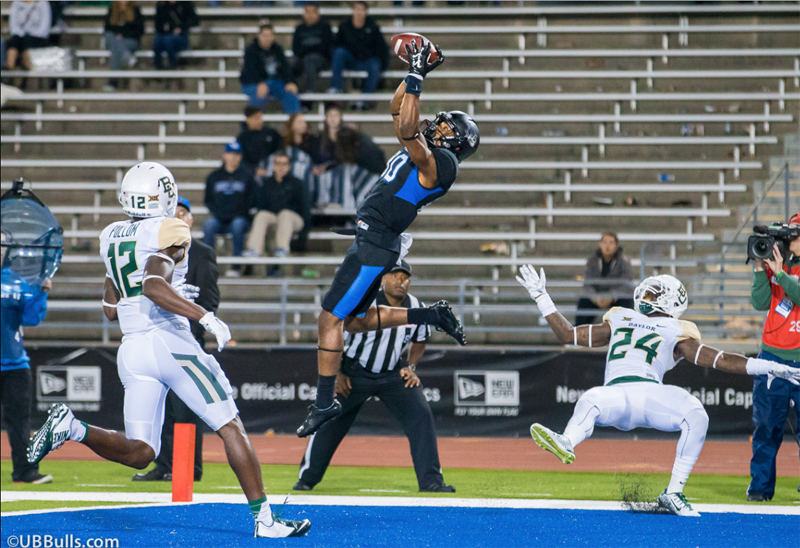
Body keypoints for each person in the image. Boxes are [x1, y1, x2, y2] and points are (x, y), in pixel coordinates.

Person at [27, 162, 310, 538]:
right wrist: (203, 315)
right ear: (163, 194)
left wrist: (167, 289)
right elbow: (153, 285)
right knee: (230, 425)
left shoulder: (111, 234)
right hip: (168, 341)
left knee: (141, 452)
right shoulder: (170, 227)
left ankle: (73, 427)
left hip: (132, 349)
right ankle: (265, 521)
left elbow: (110, 309)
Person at [297, 39, 479, 438]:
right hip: (375, 240)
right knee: (357, 322)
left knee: (329, 319)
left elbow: (407, 126)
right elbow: (398, 110)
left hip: (376, 242)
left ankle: (324, 400)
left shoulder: (442, 164)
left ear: (457, 143)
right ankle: (430, 316)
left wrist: (416, 74)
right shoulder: (428, 145)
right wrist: (417, 71)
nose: (439, 124)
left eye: (447, 126)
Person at [515, 266, 800, 517]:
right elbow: (569, 335)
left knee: (696, 413)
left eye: (657, 292)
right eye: (649, 291)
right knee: (591, 397)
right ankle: (567, 440)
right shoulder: (620, 317)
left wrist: (767, 365)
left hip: (651, 394)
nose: (648, 295)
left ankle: (673, 493)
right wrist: (542, 296)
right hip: (617, 394)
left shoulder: (677, 329)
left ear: (673, 299)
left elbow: (719, 358)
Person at [295, 261, 455, 493]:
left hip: (392, 374)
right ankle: (306, 479)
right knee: (330, 420)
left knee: (421, 414)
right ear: (383, 279)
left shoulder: (415, 306)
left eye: (405, 278)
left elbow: (420, 340)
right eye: (396, 276)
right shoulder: (365, 302)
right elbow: (333, 336)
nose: (401, 281)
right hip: (353, 374)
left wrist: (411, 366)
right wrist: (338, 372)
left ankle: (432, 482)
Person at [132, 196, 219, 482]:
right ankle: (164, 464)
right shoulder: (155, 253)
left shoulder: (202, 252)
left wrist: (194, 320)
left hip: (185, 339)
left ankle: (188, 468)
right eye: (175, 214)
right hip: (158, 339)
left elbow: (209, 298)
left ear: (191, 220)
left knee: (186, 409)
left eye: (184, 213)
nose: (180, 218)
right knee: (164, 409)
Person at [747, 213, 800, 502]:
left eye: (795, 235)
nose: (789, 241)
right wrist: (760, 267)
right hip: (772, 359)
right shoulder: (777, 264)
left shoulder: (782, 270)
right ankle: (759, 489)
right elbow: (760, 303)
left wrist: (780, 274)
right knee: (766, 429)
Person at [1, 240, 53, 484]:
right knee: (19, 421)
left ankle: (25, 471)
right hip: (14, 363)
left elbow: (31, 319)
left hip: (14, 364)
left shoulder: (16, 282)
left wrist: (42, 292)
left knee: (20, 422)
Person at [244, 153, 310, 276]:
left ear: (289, 166)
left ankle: (282, 249)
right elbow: (261, 207)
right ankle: (254, 249)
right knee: (262, 215)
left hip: (294, 219)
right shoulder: (267, 184)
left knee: (285, 214)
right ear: (273, 166)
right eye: (278, 164)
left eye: (284, 164)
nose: (281, 167)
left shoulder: (297, 184)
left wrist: (304, 234)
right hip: (275, 219)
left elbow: (305, 209)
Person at [202, 142, 256, 279]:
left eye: (236, 154)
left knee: (238, 225)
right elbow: (208, 200)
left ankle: (236, 266)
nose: (233, 157)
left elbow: (252, 199)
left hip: (239, 217)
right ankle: (209, 266)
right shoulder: (214, 176)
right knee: (209, 224)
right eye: (231, 154)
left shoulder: (247, 176)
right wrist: (219, 212)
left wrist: (239, 212)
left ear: (240, 157)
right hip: (219, 218)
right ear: (225, 155)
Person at [329, 1, 389, 111]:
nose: (358, 12)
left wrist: (383, 66)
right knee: (339, 52)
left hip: (366, 61)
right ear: (352, 11)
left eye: (361, 10)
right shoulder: (344, 26)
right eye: (356, 9)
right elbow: (336, 45)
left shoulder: (373, 28)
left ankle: (365, 98)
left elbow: (382, 49)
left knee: (375, 64)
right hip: (350, 60)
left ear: (366, 12)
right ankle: (335, 87)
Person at [575, 231, 634, 326]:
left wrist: (612, 296)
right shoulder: (592, 261)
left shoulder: (624, 262)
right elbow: (587, 283)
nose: (607, 246)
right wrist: (595, 297)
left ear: (616, 245)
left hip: (616, 298)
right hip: (597, 296)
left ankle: (626, 333)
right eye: (605, 242)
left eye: (611, 243)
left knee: (627, 302)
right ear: (600, 244)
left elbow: (626, 283)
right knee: (583, 302)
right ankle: (579, 336)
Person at [240, 23, 301, 114]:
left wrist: (290, 82)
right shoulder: (250, 50)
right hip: (253, 83)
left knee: (290, 93)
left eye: (270, 35)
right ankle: (251, 124)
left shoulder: (278, 49)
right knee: (259, 93)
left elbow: (285, 68)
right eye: (264, 35)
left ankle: (295, 121)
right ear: (259, 36)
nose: (267, 38)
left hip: (274, 82)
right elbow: (250, 70)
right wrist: (260, 83)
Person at [292, 2, 333, 98]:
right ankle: (292, 93)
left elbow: (325, 48)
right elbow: (296, 49)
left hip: (322, 60)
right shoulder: (299, 29)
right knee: (289, 64)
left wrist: (307, 50)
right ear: (303, 14)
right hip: (303, 59)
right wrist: (311, 49)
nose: (310, 15)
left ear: (318, 13)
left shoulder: (325, 27)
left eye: (312, 12)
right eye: (307, 12)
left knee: (310, 59)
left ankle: (309, 93)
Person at [102, 1, 144, 91]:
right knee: (110, 38)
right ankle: (127, 57)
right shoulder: (112, 10)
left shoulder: (135, 10)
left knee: (115, 49)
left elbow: (139, 30)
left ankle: (113, 82)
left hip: (129, 40)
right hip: (115, 39)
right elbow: (107, 28)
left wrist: (123, 35)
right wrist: (117, 34)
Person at [236, 106, 284, 175]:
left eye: (261, 118)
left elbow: (280, 149)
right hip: (251, 174)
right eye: (256, 118)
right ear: (248, 119)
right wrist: (254, 170)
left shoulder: (271, 133)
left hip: (272, 170)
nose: (260, 121)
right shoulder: (242, 138)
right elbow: (241, 159)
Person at [5, 1, 51, 71]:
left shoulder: (43, 3)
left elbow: (44, 28)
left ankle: (28, 70)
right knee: (14, 41)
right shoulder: (17, 3)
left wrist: (29, 35)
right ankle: (10, 69)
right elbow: (13, 26)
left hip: (37, 36)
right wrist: (22, 34)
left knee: (27, 41)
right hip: (21, 36)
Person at [153, 1, 198, 71]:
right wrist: (165, 28)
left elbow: (195, 20)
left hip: (180, 37)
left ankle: (173, 65)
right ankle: (158, 67)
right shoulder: (162, 5)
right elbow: (158, 24)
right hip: (165, 35)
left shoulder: (185, 4)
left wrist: (181, 28)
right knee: (157, 41)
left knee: (168, 40)